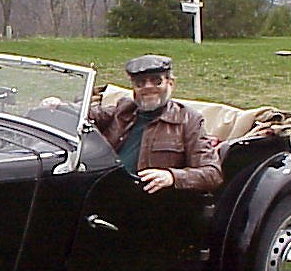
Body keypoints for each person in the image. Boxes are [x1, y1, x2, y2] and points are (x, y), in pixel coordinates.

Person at [90, 54, 222, 194]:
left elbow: (212, 174)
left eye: (156, 81)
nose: (148, 87)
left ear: (170, 83)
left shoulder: (189, 120)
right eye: (140, 83)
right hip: (102, 186)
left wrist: (172, 176)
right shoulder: (124, 109)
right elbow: (84, 115)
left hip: (149, 199)